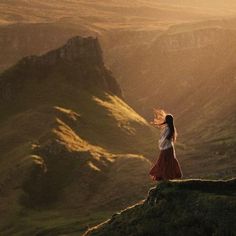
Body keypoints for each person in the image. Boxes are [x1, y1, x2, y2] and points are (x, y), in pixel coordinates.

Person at [149, 109, 183, 181]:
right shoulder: (171, 128)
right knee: (169, 161)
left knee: (163, 161)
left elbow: (165, 139)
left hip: (166, 147)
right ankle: (168, 176)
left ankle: (165, 177)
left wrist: (160, 145)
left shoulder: (167, 128)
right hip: (170, 147)